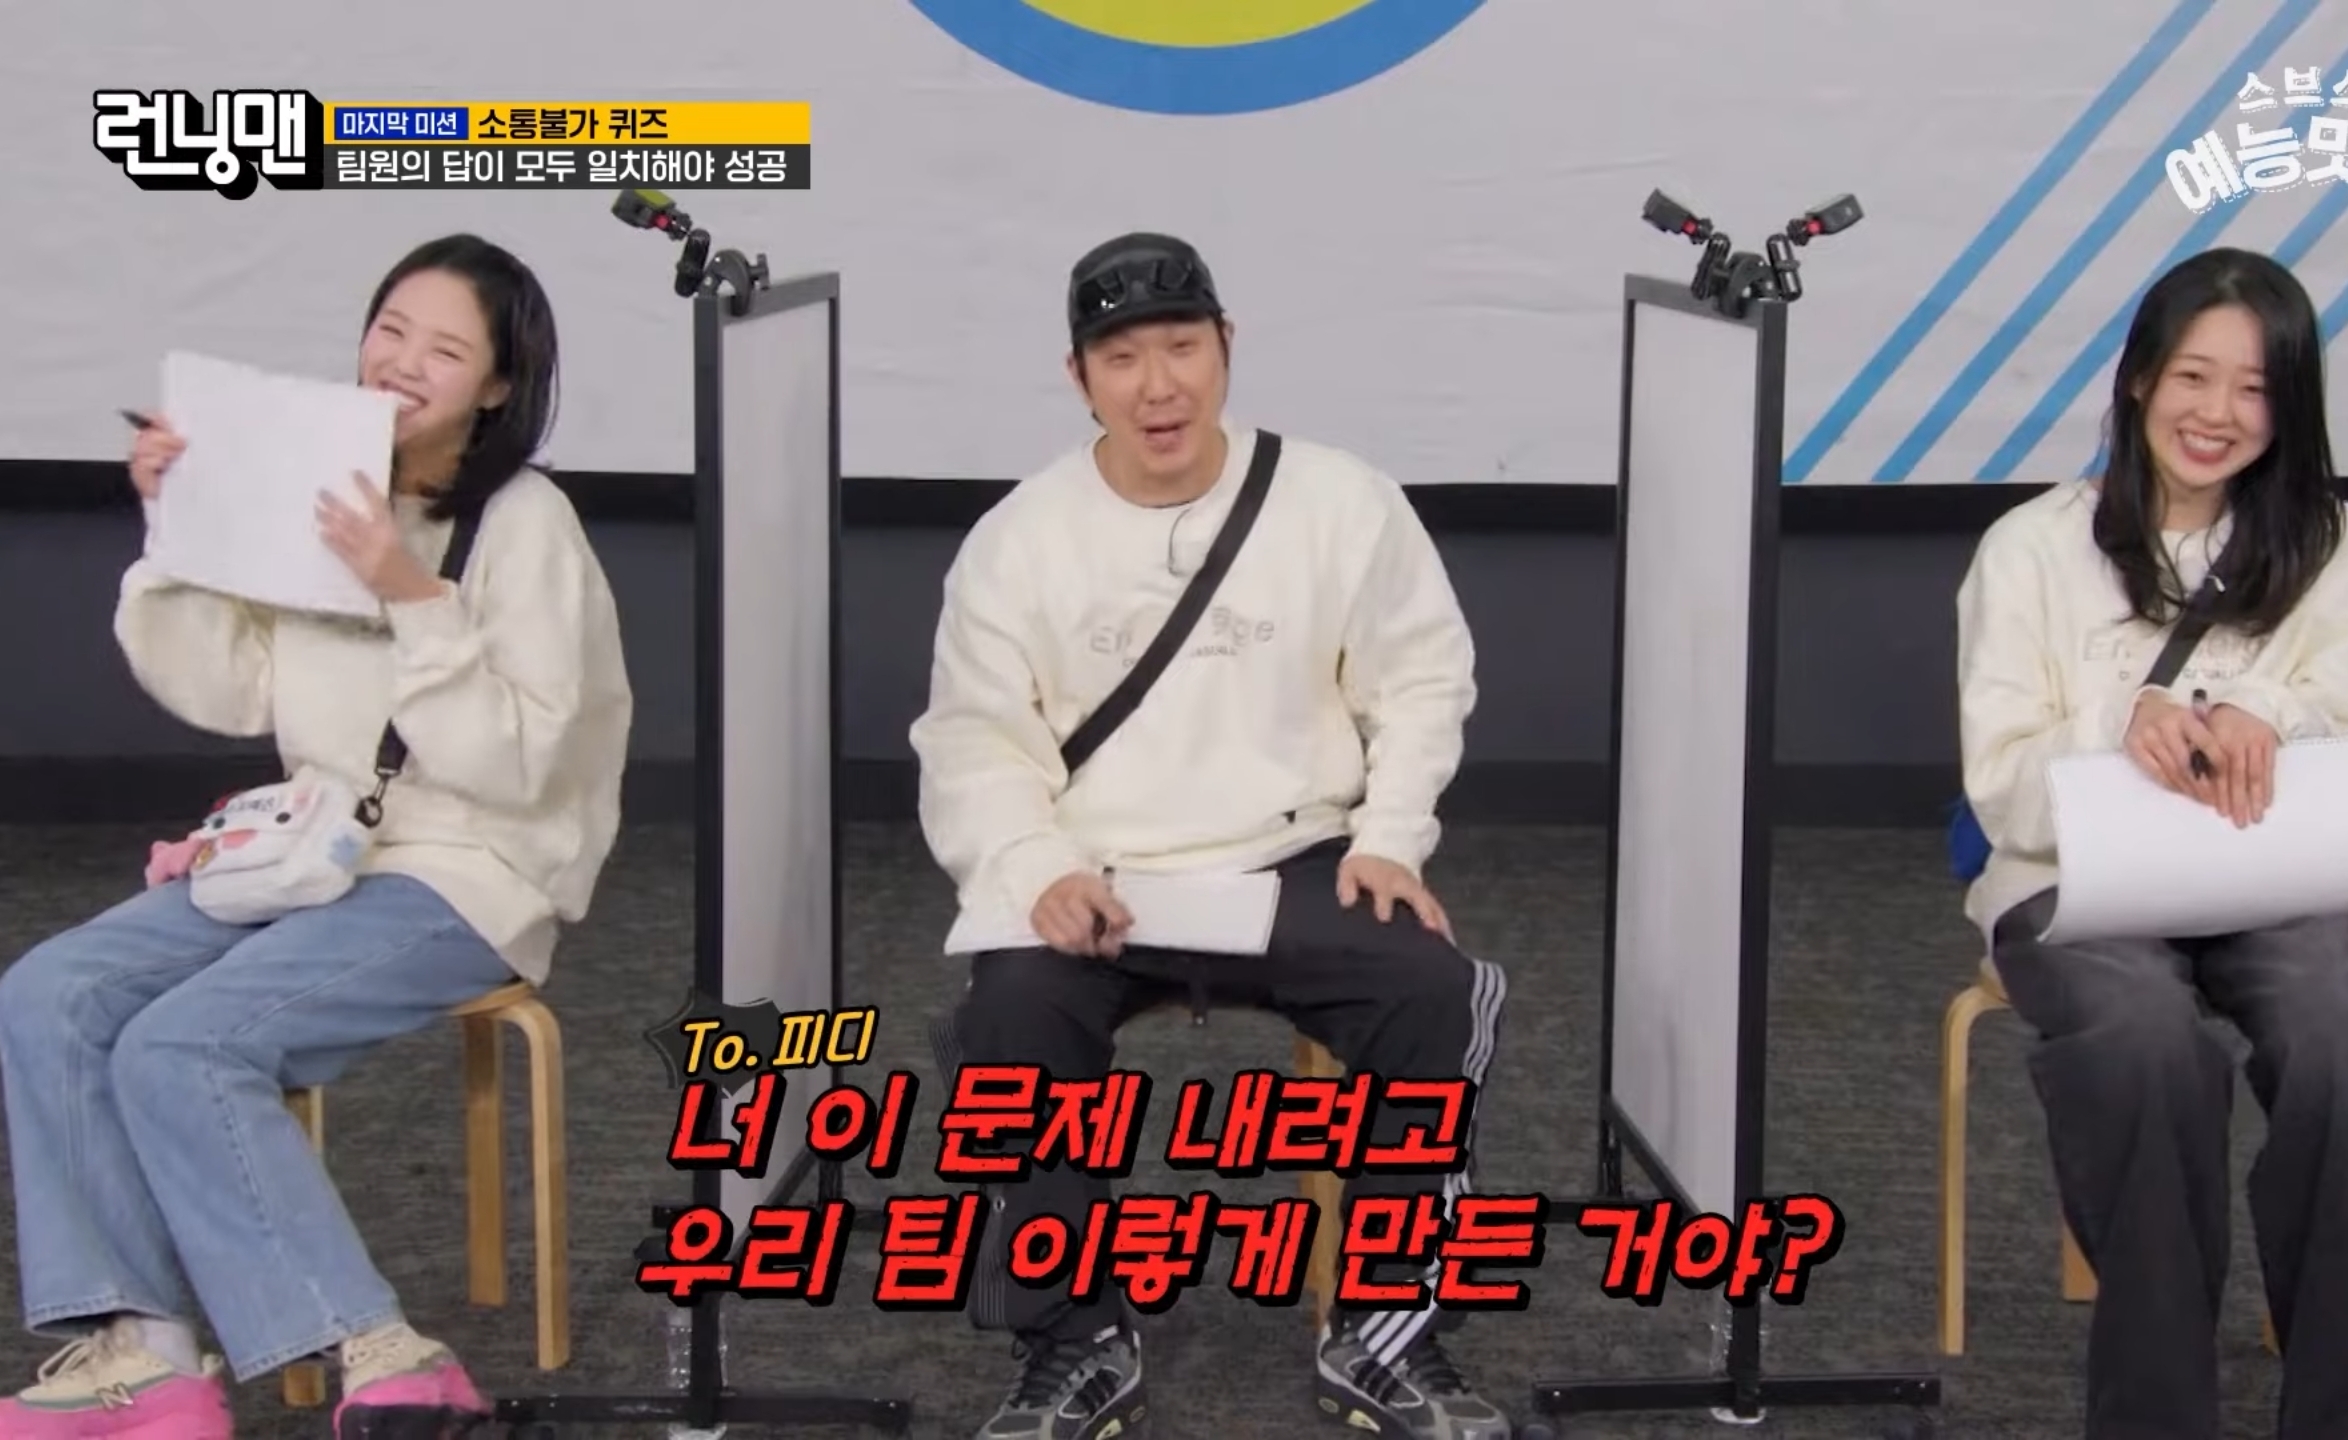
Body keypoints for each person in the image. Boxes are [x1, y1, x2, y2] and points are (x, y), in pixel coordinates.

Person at [0, 233, 634, 1440]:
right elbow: (234, 691)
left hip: (470, 871)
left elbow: (518, 763)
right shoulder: (321, 480)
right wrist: (177, 531)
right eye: (389, 330)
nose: (401, 363)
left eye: (443, 350)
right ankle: (142, 1358)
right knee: (50, 992)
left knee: (183, 1045)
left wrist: (407, 592)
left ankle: (389, 1357)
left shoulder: (525, 523)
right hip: (317, 849)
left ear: (497, 385)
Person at [910, 232, 1512, 1440]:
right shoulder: (1018, 538)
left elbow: (1420, 680)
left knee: (1432, 989)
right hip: (1097, 866)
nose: (1158, 386)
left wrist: (1390, 838)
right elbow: (974, 742)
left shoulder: (1340, 500)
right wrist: (1036, 869)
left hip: (1294, 850)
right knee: (1009, 1016)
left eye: (1181, 348)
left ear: (1226, 347)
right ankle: (1073, 1343)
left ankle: (1386, 1331)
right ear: (1078, 376)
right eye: (1121, 358)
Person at [1956, 246, 2348, 1439]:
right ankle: (2156, 1417)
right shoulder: (2030, 548)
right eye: (2190, 376)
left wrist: (2266, 709)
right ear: (2135, 380)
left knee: (2338, 1033)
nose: (2215, 413)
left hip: (2272, 874)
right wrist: (2117, 725)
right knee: (2142, 1044)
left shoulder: (2323, 543)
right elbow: (1999, 787)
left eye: (2252, 388)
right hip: (2073, 884)